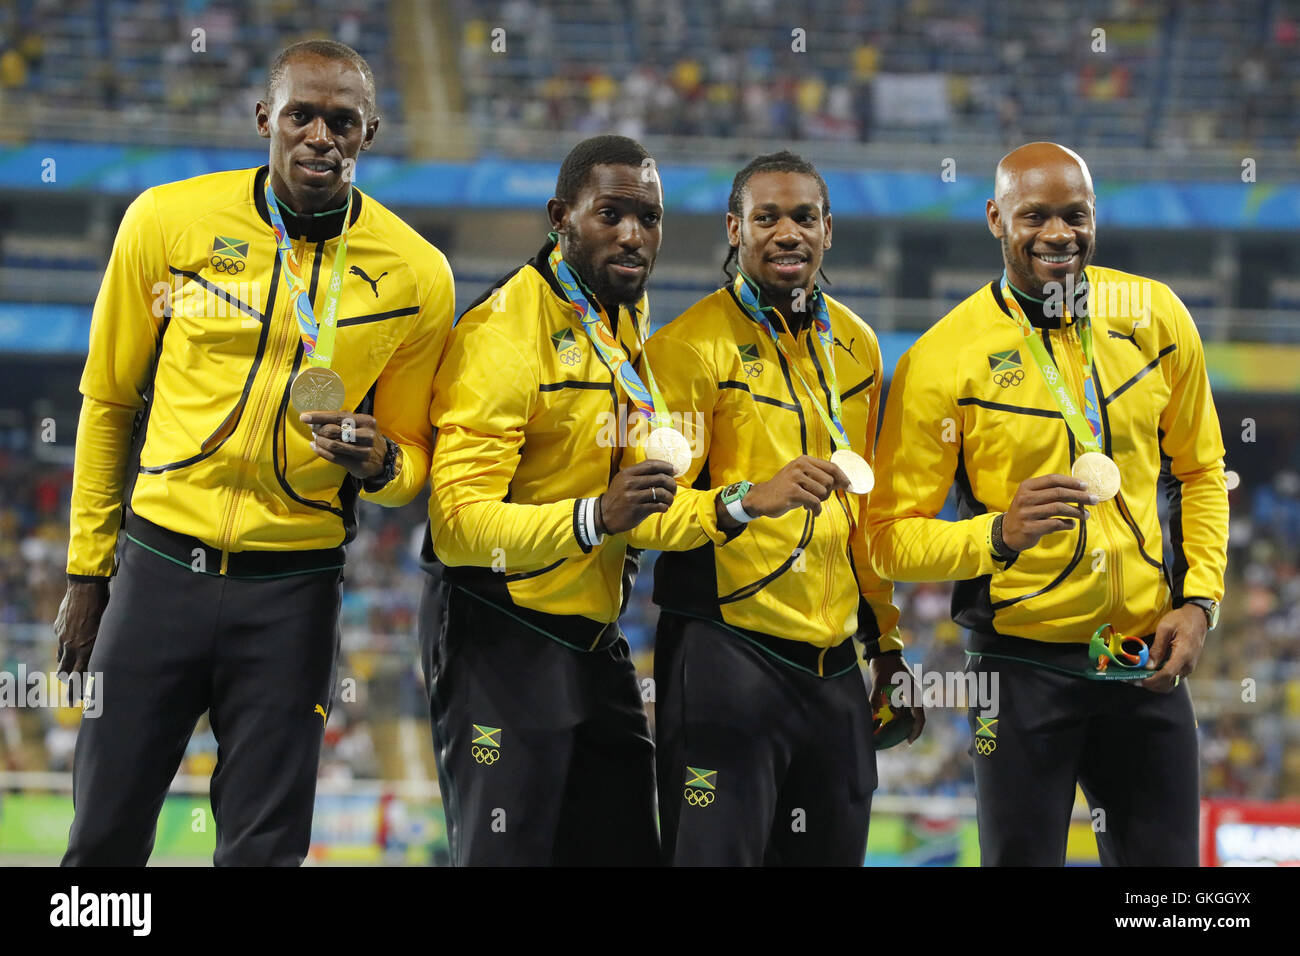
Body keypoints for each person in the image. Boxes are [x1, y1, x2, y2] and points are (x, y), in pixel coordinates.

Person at [54, 39, 455, 866]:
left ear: (369, 132)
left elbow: (414, 458)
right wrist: (88, 573)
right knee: (100, 841)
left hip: (294, 593)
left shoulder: (418, 275)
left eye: (342, 122)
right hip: (155, 573)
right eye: (301, 115)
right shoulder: (166, 221)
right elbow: (108, 403)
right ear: (265, 118)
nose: (320, 137)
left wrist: (382, 466)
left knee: (264, 851)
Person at [868, 142, 1228, 866]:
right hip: (1018, 670)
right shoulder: (940, 359)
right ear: (996, 218)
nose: (1058, 234)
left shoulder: (1154, 316)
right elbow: (886, 539)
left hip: (1140, 656)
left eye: (1076, 215)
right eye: (1035, 215)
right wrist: (994, 535)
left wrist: (1200, 603)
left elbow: (1201, 471)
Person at [628, 151, 923, 866]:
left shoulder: (855, 345)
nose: (787, 232)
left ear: (829, 231)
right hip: (728, 655)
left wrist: (887, 645)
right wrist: (744, 501)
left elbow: (864, 510)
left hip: (835, 669)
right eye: (767, 218)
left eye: (804, 217)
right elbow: (642, 513)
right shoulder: (685, 349)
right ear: (735, 229)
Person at [420, 134, 672, 865]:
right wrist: (598, 516)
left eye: (649, 218)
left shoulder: (626, 305)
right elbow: (458, 525)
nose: (633, 236)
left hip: (592, 633)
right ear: (561, 217)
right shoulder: (501, 337)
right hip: (498, 630)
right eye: (611, 214)